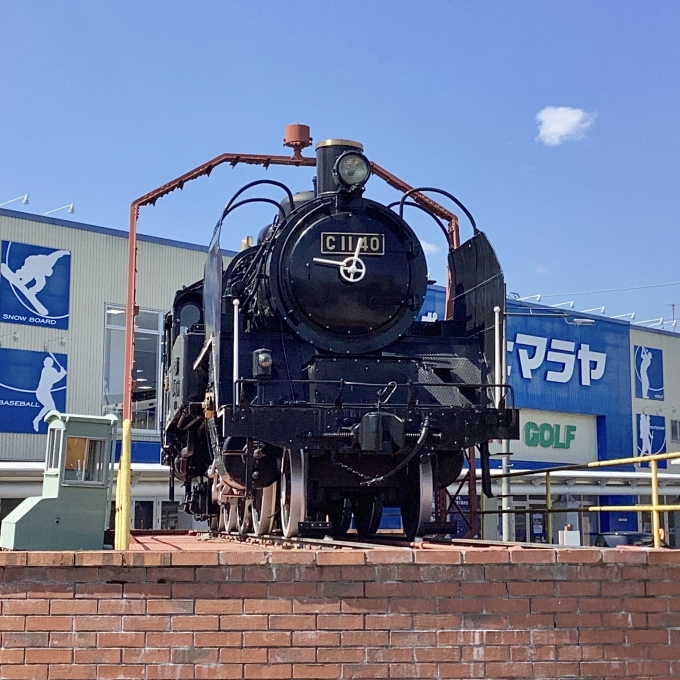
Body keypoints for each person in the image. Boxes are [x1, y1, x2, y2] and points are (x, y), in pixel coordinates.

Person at [32, 356, 67, 432]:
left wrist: (61, 373)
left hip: (44, 391)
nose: (44, 363)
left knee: (50, 408)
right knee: (52, 409)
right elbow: (55, 379)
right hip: (42, 392)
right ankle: (55, 427)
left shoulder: (50, 370)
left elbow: (55, 377)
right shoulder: (47, 370)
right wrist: (62, 373)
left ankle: (37, 419)